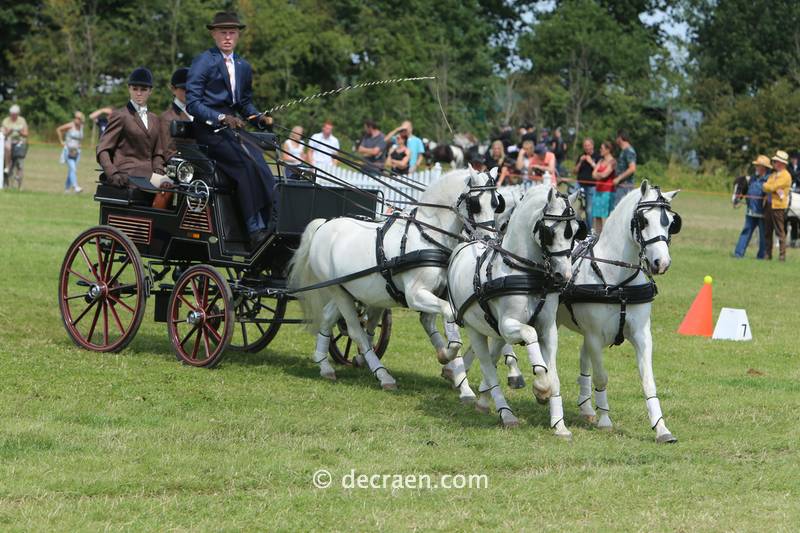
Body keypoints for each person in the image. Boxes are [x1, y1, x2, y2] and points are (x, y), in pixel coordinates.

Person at [185, 11, 275, 247]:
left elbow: (244, 104)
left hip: (233, 129)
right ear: (214, 34)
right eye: (223, 32)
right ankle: (254, 228)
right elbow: (193, 103)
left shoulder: (243, 66)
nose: (227, 37)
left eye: (232, 32)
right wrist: (221, 117)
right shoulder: (203, 61)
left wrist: (259, 118)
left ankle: (271, 220)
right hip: (208, 131)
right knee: (245, 165)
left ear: (238, 35)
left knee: (262, 164)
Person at [96, 67, 166, 188]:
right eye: (135, 89)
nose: (138, 93)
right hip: (127, 176)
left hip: (150, 177)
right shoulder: (121, 115)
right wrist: (112, 173)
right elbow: (102, 149)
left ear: (151, 91)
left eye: (143, 89)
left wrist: (159, 170)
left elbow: (158, 152)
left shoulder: (155, 119)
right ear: (129, 89)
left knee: (176, 190)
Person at [732, 155, 770, 259]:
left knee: (762, 236)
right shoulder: (752, 178)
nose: (756, 167)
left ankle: (761, 257)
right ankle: (738, 254)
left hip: (762, 214)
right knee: (745, 232)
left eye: (759, 166)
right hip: (750, 212)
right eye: (756, 165)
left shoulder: (769, 180)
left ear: (764, 167)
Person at [762, 150, 792, 261]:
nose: (774, 163)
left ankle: (782, 255)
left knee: (780, 231)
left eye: (776, 161)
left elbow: (771, 187)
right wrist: (768, 186)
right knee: (767, 231)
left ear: (782, 163)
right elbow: (765, 186)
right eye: (774, 161)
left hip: (778, 207)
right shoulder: (773, 174)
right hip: (769, 205)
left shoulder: (786, 176)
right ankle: (767, 254)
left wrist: (768, 186)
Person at [159, 67, 194, 161]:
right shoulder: (167, 117)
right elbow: (169, 152)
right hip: (184, 169)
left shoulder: (201, 113)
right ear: (173, 89)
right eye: (184, 89)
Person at [573, 138, 600, 231]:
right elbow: (574, 171)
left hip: (591, 186)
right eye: (585, 146)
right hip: (579, 184)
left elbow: (599, 170)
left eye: (588, 145)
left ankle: (590, 229)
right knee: (572, 202)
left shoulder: (598, 156)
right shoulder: (581, 156)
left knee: (589, 210)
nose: (586, 147)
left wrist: (591, 162)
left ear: (592, 145)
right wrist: (580, 161)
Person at [56, 111, 85, 193]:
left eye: (79, 118)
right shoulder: (70, 125)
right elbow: (58, 129)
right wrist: (61, 141)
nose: (77, 120)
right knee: (73, 169)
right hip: (68, 151)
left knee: (71, 170)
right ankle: (76, 187)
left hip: (77, 152)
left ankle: (67, 189)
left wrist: (80, 144)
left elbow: (80, 138)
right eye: (76, 117)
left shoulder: (81, 127)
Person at [591, 141, 617, 233]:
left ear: (608, 150)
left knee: (605, 216)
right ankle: (598, 236)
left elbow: (605, 174)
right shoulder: (600, 161)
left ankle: (606, 235)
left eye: (602, 148)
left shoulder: (613, 161)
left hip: (608, 192)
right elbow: (593, 174)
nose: (600, 150)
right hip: (598, 191)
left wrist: (599, 174)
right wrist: (599, 174)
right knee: (597, 215)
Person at [2, 104, 28, 188]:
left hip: (19, 144)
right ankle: (7, 182)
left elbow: (26, 134)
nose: (13, 115)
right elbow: (3, 134)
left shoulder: (22, 120)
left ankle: (19, 185)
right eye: (12, 114)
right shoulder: (6, 121)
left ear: (18, 113)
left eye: (15, 114)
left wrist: (20, 132)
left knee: (19, 164)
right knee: (7, 163)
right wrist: (9, 132)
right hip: (8, 144)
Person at [612, 129, 637, 208]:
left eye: (616, 137)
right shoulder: (623, 151)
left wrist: (618, 178)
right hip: (621, 186)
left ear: (620, 138)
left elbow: (632, 168)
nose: (616, 140)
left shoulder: (629, 151)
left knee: (619, 210)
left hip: (625, 187)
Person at [787, 151, 800, 247]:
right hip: (790, 191)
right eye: (792, 159)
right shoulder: (788, 167)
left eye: (795, 159)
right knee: (792, 219)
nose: (794, 160)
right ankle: (792, 239)